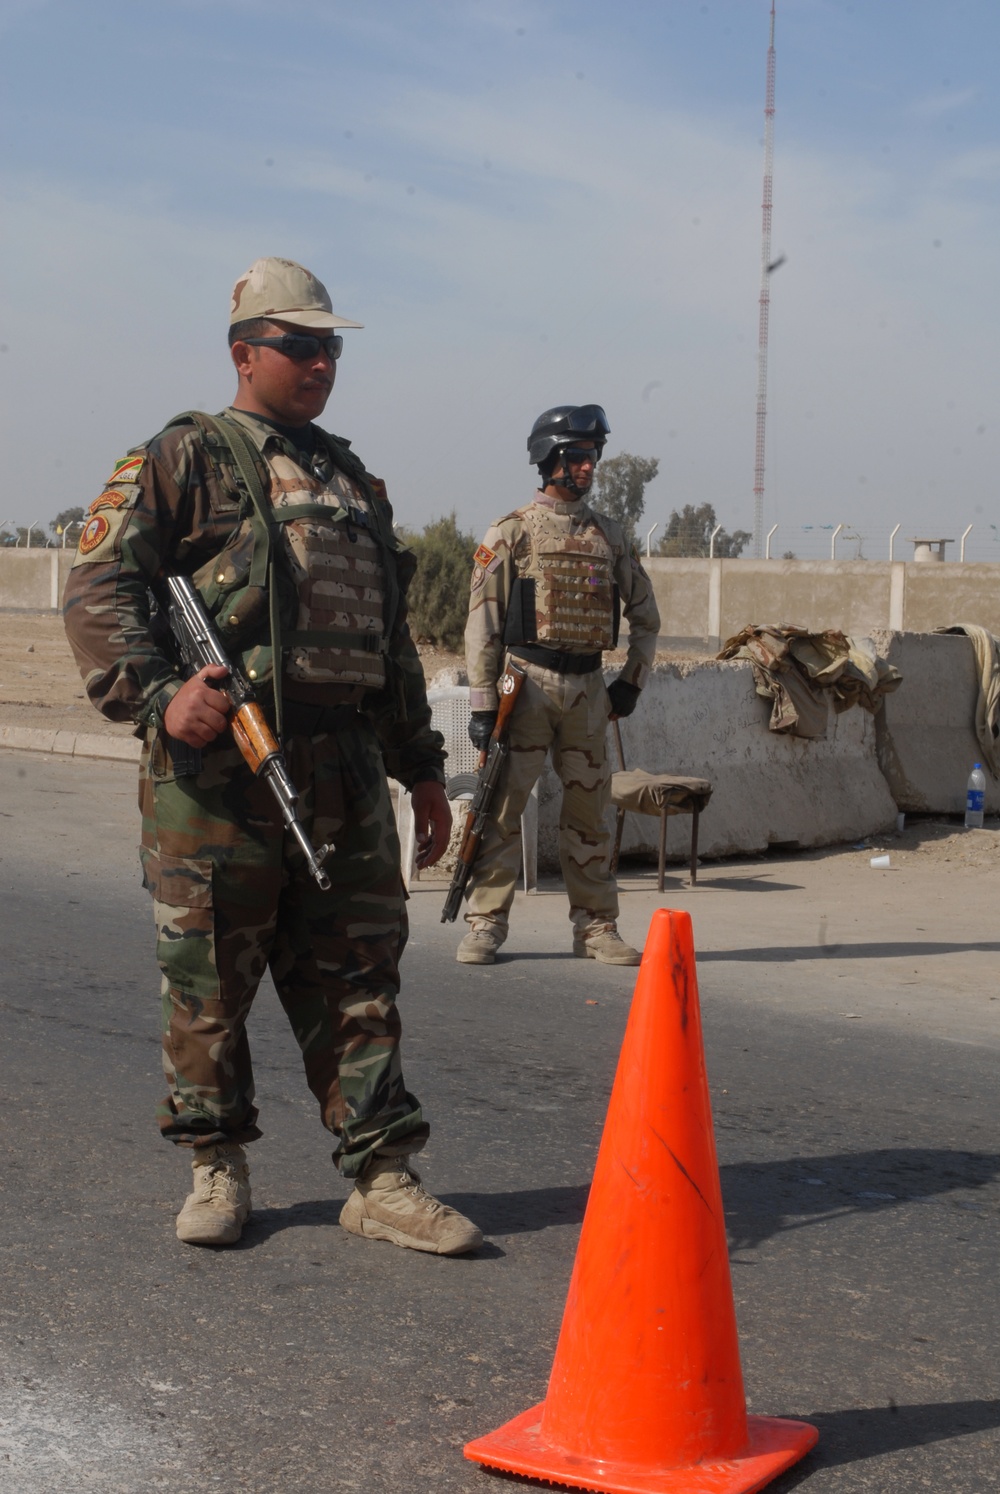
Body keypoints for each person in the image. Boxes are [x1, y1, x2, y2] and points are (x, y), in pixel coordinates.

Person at [63, 256, 481, 1256]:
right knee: (209, 976)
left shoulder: (351, 478)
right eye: (299, 344)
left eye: (330, 345)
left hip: (343, 767)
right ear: (245, 351)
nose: (320, 361)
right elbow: (98, 589)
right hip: (217, 778)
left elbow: (385, 645)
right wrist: (164, 698)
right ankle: (216, 1165)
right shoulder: (181, 458)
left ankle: (382, 1176)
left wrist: (420, 768)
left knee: (359, 974)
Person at [458, 404, 660, 967]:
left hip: (588, 692)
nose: (588, 467)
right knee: (500, 808)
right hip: (523, 687)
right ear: (549, 460)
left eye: (593, 457)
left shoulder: (610, 536)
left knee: (591, 814)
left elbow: (647, 618)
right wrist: (481, 704)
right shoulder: (512, 531)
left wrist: (631, 683)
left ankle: (596, 927)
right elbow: (482, 624)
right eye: (576, 457)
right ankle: (485, 924)